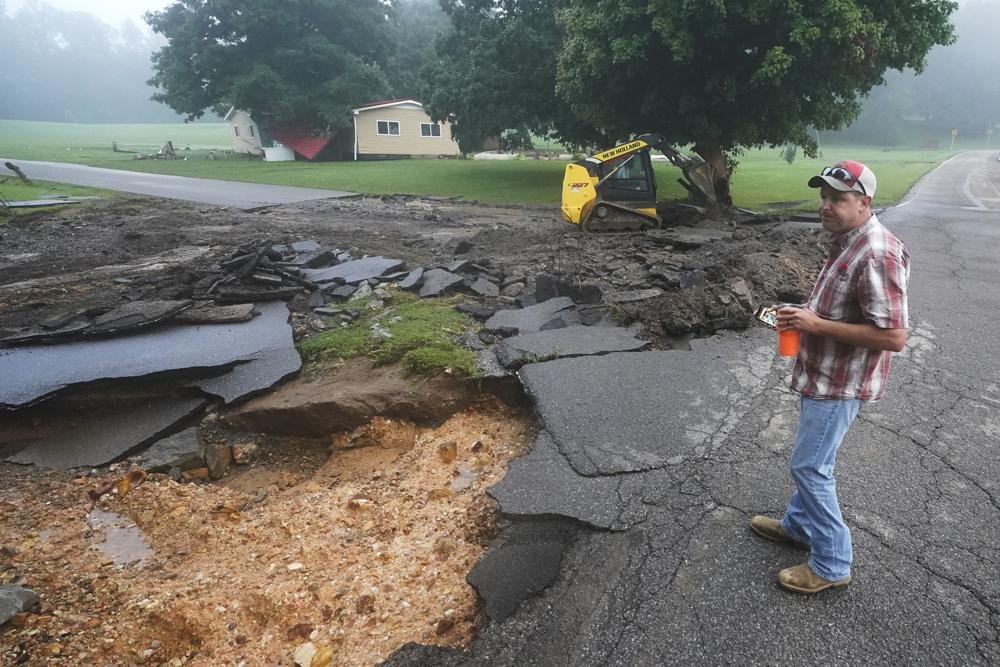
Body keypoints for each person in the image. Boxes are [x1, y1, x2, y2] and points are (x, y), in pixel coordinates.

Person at [751, 160, 910, 594]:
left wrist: (815, 324)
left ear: (864, 202)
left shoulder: (877, 252)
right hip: (822, 374)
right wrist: (802, 315)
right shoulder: (845, 241)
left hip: (841, 385)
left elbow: (894, 336)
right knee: (815, 462)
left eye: (838, 198)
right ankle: (798, 526)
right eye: (823, 196)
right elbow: (842, 307)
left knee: (809, 467)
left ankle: (833, 562)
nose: (825, 205)